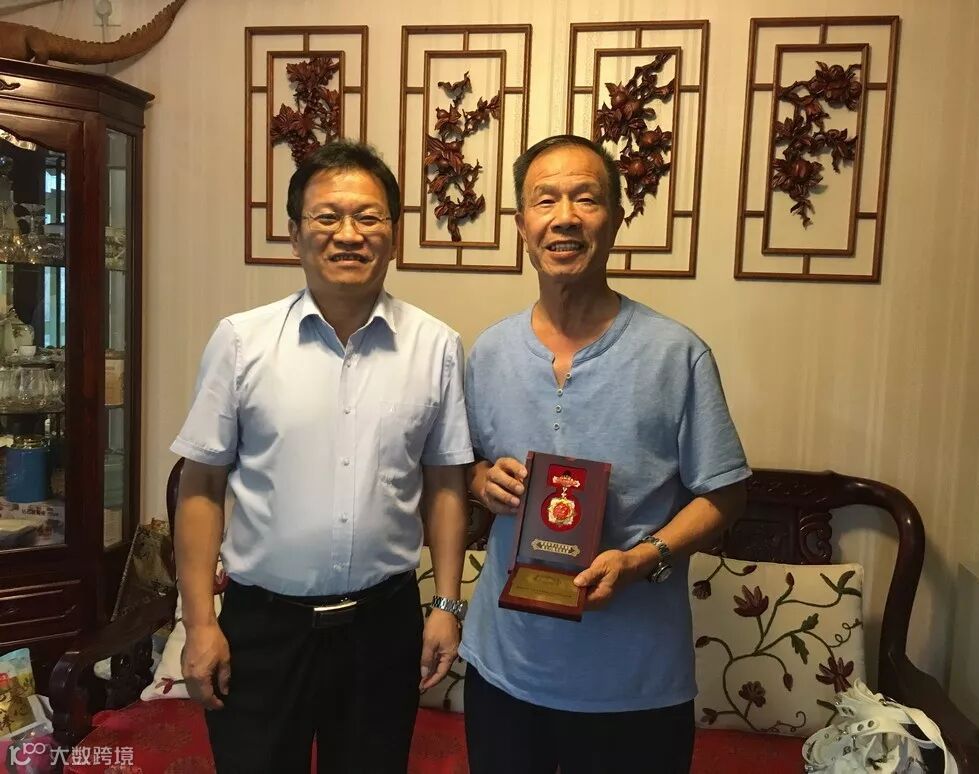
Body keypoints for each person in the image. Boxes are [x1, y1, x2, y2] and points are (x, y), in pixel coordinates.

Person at [171, 140, 473, 773]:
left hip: (383, 626)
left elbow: (446, 483)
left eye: (368, 217)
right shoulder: (241, 342)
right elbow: (201, 486)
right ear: (294, 235)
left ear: (394, 235)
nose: (348, 234)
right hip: (262, 627)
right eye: (327, 217)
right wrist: (200, 623)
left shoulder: (437, 347)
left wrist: (446, 606)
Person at [460, 134, 752, 774]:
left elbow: (726, 493)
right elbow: (463, 467)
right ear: (521, 226)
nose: (564, 217)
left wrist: (643, 559)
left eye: (585, 199)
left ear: (616, 220)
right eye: (545, 200)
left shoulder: (677, 354)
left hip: (634, 685)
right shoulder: (489, 353)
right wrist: (481, 480)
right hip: (505, 670)